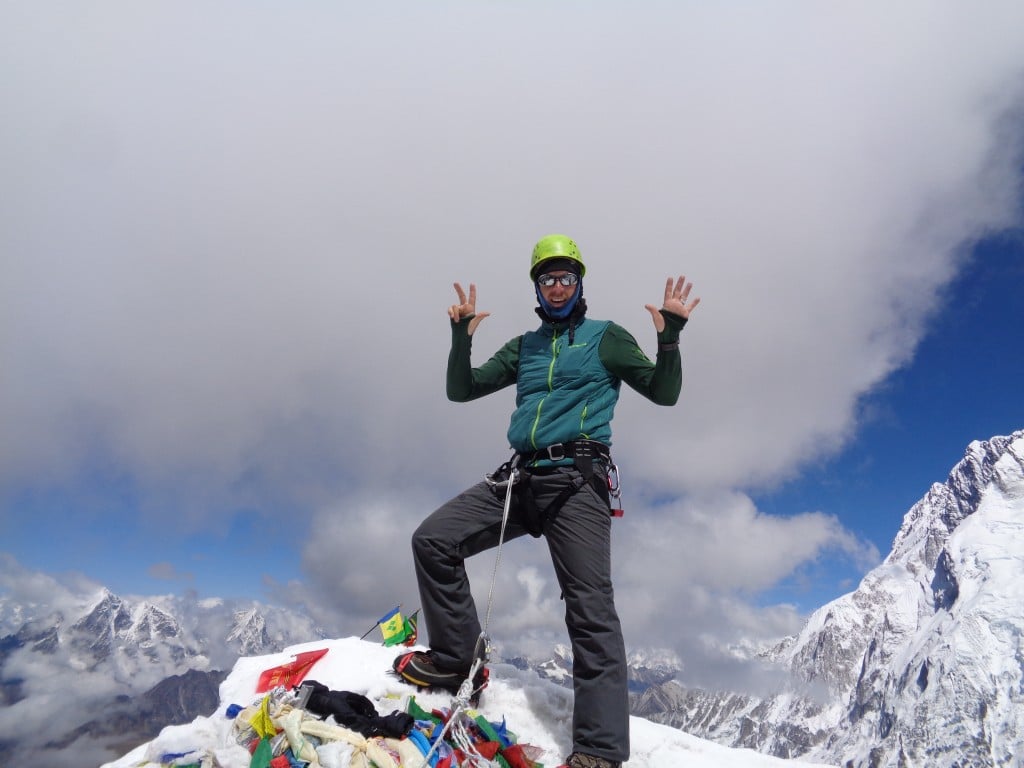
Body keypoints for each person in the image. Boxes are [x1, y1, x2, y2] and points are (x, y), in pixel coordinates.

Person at [393, 234, 700, 768]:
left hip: (578, 482)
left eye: (566, 278)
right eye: (547, 279)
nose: (557, 287)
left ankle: (600, 753)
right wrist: (459, 339)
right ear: (536, 286)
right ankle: (455, 658)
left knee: (590, 611)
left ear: (579, 283)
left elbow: (664, 393)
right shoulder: (524, 347)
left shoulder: (607, 338)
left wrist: (669, 338)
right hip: (520, 479)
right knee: (433, 539)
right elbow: (461, 390)